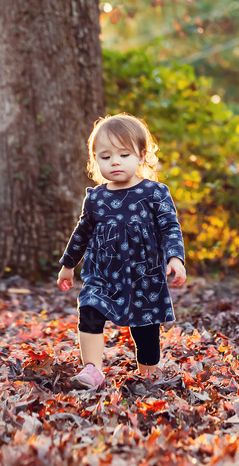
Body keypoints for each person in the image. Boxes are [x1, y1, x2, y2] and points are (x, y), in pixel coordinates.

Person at [56, 113, 186, 390]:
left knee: (145, 329)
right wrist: (68, 264)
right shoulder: (96, 198)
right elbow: (82, 232)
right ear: (95, 161)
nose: (114, 161)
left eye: (124, 154)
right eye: (105, 157)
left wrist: (175, 258)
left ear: (141, 156)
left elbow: (169, 227)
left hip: (144, 275)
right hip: (102, 273)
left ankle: (149, 374)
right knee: (89, 309)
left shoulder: (154, 193)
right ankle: (92, 369)